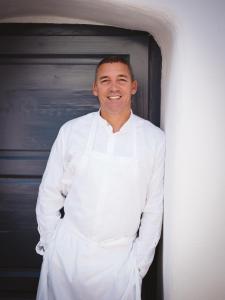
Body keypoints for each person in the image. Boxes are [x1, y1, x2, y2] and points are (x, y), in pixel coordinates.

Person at [35, 56, 165, 300]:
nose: (113, 88)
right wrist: (52, 244)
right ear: (95, 88)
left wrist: (138, 264)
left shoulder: (154, 139)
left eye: (121, 80)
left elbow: (153, 208)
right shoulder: (71, 131)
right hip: (66, 256)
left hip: (120, 264)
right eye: (105, 80)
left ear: (133, 86)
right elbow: (49, 191)